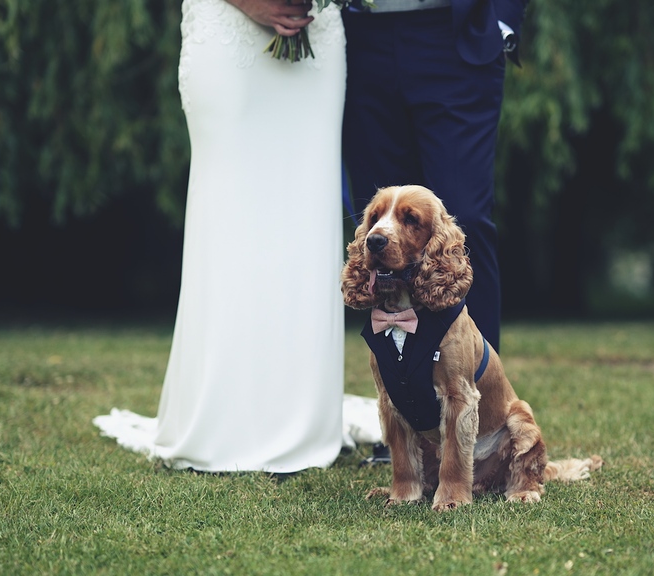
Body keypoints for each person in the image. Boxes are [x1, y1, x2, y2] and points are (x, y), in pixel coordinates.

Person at [94, 0, 348, 473]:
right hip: (227, 33)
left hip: (318, 35)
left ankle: (301, 417)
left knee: (305, 214)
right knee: (231, 219)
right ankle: (224, 416)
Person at [341, 0, 530, 352]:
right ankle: (402, 394)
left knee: (465, 217)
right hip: (362, 40)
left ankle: (481, 390)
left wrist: (502, 24)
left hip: (454, 36)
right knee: (380, 225)